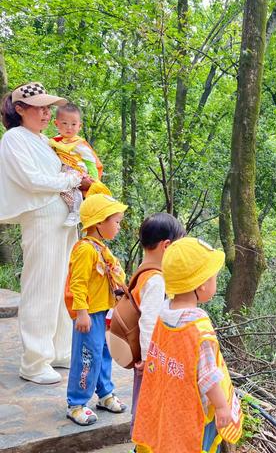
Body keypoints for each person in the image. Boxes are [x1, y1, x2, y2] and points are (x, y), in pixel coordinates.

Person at [0, 82, 93, 385]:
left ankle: (58, 350)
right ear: (19, 110)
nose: (45, 112)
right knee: (41, 286)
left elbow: (56, 174)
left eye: (46, 107)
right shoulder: (15, 139)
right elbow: (31, 179)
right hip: (41, 217)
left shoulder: (41, 140)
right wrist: (68, 181)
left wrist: (76, 177)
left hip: (64, 218)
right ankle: (35, 360)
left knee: (64, 285)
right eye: (38, 107)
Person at [132, 237, 243, 453]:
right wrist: (221, 406)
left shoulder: (164, 313)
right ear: (201, 285)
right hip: (196, 411)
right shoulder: (198, 328)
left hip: (170, 407)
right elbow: (208, 376)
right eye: (214, 277)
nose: (216, 282)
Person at [65, 193, 128, 426]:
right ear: (99, 222)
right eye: (116, 221)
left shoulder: (100, 248)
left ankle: (104, 394)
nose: (119, 226)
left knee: (104, 353)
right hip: (89, 314)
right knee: (86, 357)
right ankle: (77, 403)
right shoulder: (85, 249)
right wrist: (81, 312)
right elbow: (77, 283)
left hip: (103, 311)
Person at [129, 213, 186, 453]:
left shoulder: (142, 271)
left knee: (140, 402)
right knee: (147, 405)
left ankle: (140, 441)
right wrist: (149, 358)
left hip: (144, 356)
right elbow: (148, 322)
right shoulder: (157, 280)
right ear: (167, 246)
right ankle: (143, 445)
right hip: (150, 359)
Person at [49, 102, 108, 227]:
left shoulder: (79, 143)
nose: (69, 127)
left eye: (73, 124)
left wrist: (93, 178)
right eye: (64, 123)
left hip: (77, 169)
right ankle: (72, 209)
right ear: (56, 123)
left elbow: (90, 161)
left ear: (79, 126)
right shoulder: (53, 141)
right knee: (65, 190)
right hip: (63, 170)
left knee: (74, 188)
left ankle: (76, 211)